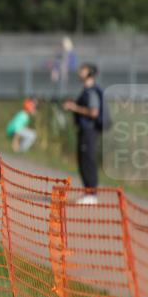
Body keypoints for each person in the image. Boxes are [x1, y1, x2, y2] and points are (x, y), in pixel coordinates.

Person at [63, 63, 104, 204]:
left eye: (83, 70)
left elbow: (94, 112)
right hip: (84, 130)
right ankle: (89, 193)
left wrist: (74, 107)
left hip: (89, 130)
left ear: (89, 73)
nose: (79, 72)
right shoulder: (86, 90)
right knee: (82, 160)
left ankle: (91, 195)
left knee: (88, 161)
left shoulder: (92, 91)